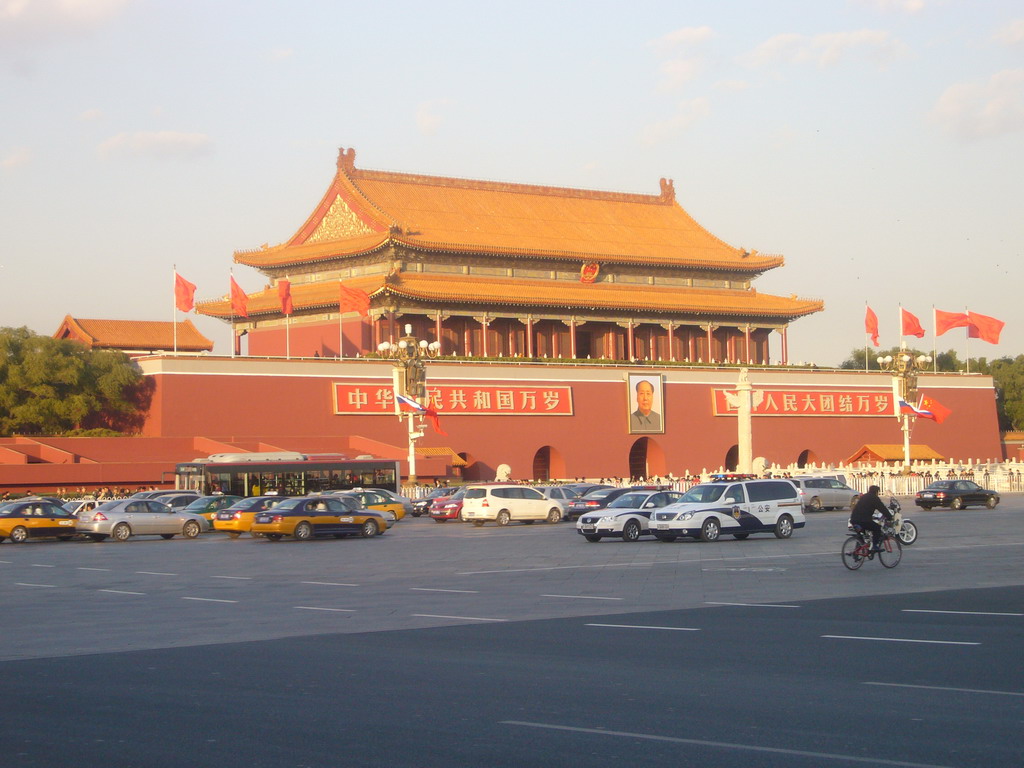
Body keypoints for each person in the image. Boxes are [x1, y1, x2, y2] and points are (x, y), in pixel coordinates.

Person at [850, 485, 892, 552]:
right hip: (863, 520)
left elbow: (863, 508)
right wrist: (889, 517)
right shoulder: (874, 498)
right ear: (876, 492)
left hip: (854, 519)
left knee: (862, 535)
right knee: (877, 528)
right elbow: (882, 509)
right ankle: (874, 546)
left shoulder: (864, 496)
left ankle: (856, 552)